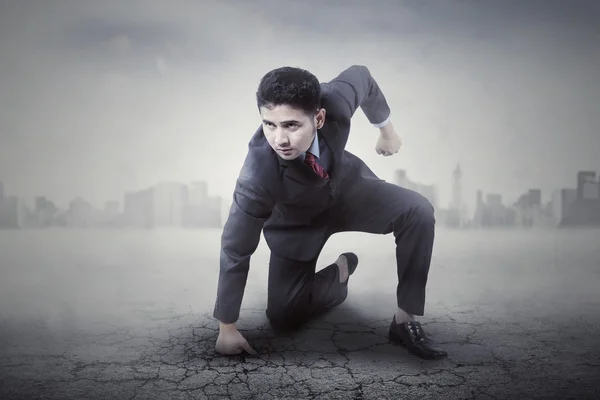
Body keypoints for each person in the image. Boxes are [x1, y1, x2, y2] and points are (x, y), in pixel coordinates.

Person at [213, 65, 447, 360]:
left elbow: (363, 76)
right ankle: (339, 274)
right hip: (297, 223)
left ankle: (405, 320)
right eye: (269, 125)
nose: (279, 139)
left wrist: (387, 131)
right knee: (284, 318)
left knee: (418, 211)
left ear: (319, 118)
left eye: (291, 125)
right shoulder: (256, 177)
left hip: (349, 190)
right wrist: (227, 328)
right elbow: (235, 248)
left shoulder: (335, 100)